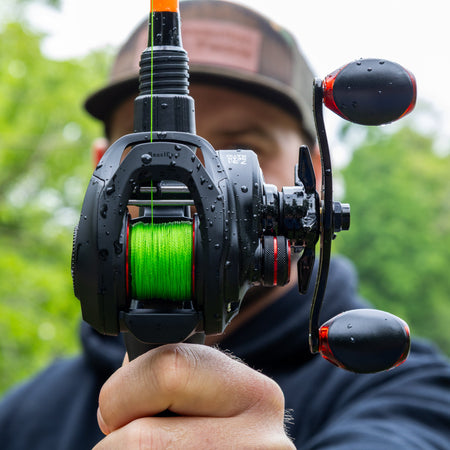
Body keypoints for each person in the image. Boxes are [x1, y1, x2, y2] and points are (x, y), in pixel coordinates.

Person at [1, 1, 449, 448]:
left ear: (311, 177)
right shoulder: (20, 420)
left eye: (237, 150)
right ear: (103, 173)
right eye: (156, 153)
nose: (195, 183)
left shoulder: (416, 399)